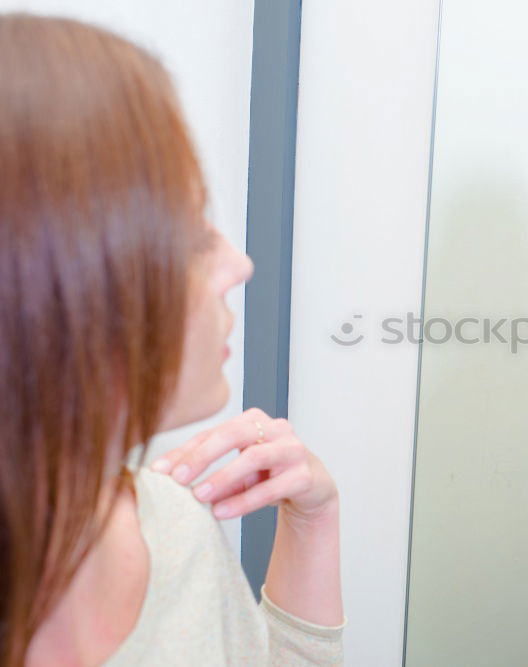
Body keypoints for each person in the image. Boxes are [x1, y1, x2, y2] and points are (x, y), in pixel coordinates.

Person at [0, 14, 344, 666]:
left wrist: (314, 522)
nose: (238, 265)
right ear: (54, 278)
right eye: (189, 235)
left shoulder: (178, 529)